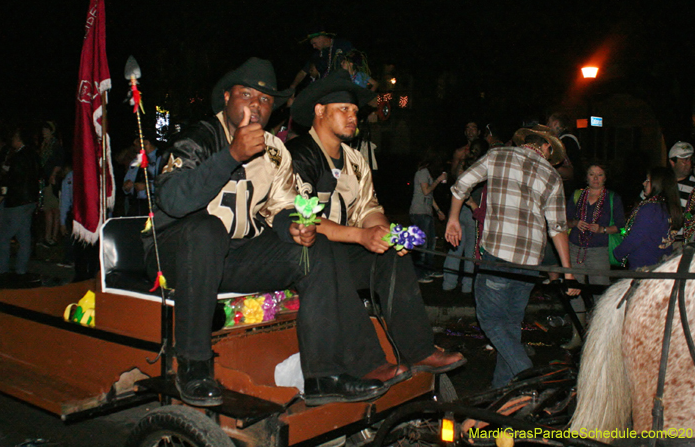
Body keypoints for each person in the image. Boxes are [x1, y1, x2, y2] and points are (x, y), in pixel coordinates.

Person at [147, 58, 386, 408]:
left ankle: (322, 375)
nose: (255, 105)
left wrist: (292, 226)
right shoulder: (197, 138)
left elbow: (281, 205)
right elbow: (173, 199)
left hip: (234, 255)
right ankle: (194, 365)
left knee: (316, 248)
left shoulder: (275, 150)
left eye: (264, 99)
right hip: (176, 253)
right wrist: (231, 155)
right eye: (246, 94)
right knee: (207, 230)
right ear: (226, 96)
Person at [287, 69, 466, 385]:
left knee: (391, 256)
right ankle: (367, 362)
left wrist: (383, 233)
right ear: (319, 110)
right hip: (303, 259)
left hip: (340, 254)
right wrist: (360, 235)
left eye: (355, 111)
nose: (353, 116)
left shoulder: (355, 160)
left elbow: (369, 208)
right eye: (344, 109)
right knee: (328, 255)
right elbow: (302, 216)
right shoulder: (298, 155)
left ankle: (419, 349)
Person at [446, 124, 578, 388]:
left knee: (491, 321)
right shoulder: (551, 175)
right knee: (510, 325)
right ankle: (504, 392)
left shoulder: (499, 155)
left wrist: (452, 219)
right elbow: (558, 228)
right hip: (530, 264)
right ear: (543, 146)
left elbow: (461, 183)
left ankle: (526, 372)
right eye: (549, 149)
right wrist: (568, 271)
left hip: (498, 258)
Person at [562, 162, 625, 349]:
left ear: (605, 177)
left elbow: (622, 226)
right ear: (586, 177)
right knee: (574, 291)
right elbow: (564, 219)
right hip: (575, 248)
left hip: (599, 250)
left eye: (599, 174)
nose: (595, 178)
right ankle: (577, 335)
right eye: (591, 174)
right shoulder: (577, 195)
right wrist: (575, 223)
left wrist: (603, 229)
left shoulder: (612, 198)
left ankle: (600, 337)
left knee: (600, 293)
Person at [444, 138, 489, 293]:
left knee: (454, 248)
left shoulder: (463, 166)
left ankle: (448, 284)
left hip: (457, 211)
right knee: (471, 250)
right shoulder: (483, 168)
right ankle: (467, 287)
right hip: (472, 211)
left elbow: (455, 182)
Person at [613, 167, 681, 268]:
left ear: (658, 184)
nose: (644, 183)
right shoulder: (668, 206)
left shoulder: (650, 209)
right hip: (661, 264)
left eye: (648, 181)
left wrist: (618, 252)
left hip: (644, 266)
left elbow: (635, 238)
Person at [0, 127, 40, 275]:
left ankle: (2, 268)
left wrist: (4, 192)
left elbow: (13, 179)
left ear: (19, 139)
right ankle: (21, 269)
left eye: (14, 138)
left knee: (4, 236)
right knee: (23, 235)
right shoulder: (34, 155)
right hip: (30, 200)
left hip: (17, 201)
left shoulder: (18, 157)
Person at [408, 150, 447, 280]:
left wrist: (438, 211)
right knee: (422, 244)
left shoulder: (426, 173)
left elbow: (429, 196)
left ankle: (428, 270)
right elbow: (426, 191)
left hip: (426, 212)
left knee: (431, 243)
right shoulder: (422, 173)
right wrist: (438, 180)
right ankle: (419, 274)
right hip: (419, 212)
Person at [288, 30, 353, 90]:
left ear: (321, 38)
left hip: (343, 85)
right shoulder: (317, 55)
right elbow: (303, 72)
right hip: (325, 89)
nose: (314, 47)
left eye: (314, 43)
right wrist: (292, 87)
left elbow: (355, 61)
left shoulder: (342, 44)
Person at [38, 121, 64, 247]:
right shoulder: (44, 145)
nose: (44, 133)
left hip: (53, 181)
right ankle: (47, 236)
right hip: (44, 180)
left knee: (55, 210)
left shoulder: (55, 145)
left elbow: (59, 161)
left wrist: (53, 175)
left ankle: (53, 237)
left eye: (46, 130)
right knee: (47, 210)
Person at [122, 134, 159, 216]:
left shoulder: (161, 158)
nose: (135, 148)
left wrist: (147, 186)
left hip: (154, 205)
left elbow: (166, 183)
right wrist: (127, 187)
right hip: (136, 205)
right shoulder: (136, 161)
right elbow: (126, 183)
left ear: (146, 143)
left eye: (137, 144)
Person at [548, 112, 582, 197]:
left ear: (555, 123)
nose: (547, 126)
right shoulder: (568, 139)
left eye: (549, 123)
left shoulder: (565, 141)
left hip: (569, 188)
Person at [667, 141, 695, 209]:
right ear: (672, 162)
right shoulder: (660, 181)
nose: (689, 163)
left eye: (690, 159)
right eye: (685, 160)